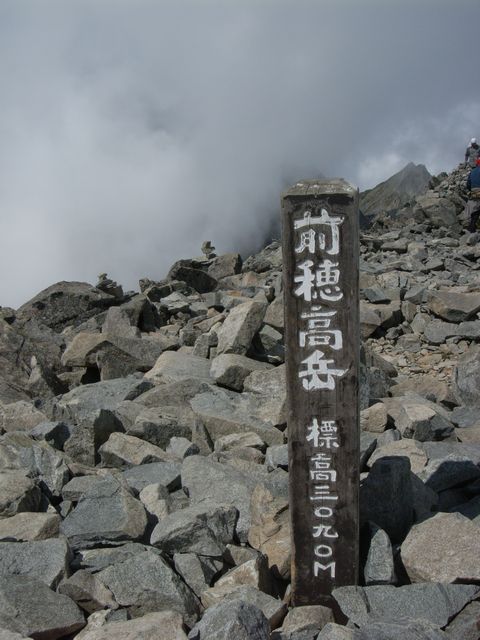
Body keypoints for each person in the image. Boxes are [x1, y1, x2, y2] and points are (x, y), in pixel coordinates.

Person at [465, 157, 480, 232]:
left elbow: (468, 184)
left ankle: (471, 228)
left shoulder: (472, 171)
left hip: (474, 192)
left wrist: (470, 190)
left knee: (475, 210)